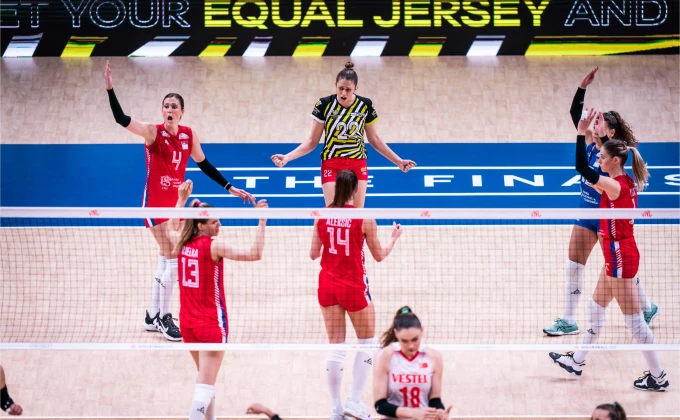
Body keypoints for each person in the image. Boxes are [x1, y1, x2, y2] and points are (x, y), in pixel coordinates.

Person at [104, 60, 254, 341]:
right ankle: (164, 318)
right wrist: (110, 89)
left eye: (174, 106)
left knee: (166, 256)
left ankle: (152, 315)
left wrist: (229, 187)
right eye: (166, 106)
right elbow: (121, 119)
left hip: (176, 206)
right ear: (162, 111)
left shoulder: (188, 135)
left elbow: (204, 163)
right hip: (154, 205)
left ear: (182, 112)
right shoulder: (152, 132)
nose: (169, 110)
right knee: (174, 255)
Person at [549, 108, 669, 392]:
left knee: (635, 322)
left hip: (620, 257)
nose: (598, 160)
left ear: (615, 161)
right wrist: (595, 135)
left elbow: (582, 168)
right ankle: (577, 361)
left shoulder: (613, 186)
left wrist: (581, 134)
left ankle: (658, 376)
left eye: (602, 157)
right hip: (618, 253)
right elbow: (595, 170)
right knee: (595, 307)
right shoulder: (624, 181)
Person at [544, 67, 658, 336]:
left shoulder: (612, 156)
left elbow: (588, 166)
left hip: (608, 221)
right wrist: (582, 87)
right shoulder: (589, 141)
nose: (593, 124)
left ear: (611, 132)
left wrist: (598, 136)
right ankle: (568, 320)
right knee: (574, 265)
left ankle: (646, 306)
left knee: (616, 272)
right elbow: (576, 115)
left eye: (599, 123)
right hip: (587, 215)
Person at [165, 180, 267, 420]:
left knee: (205, 380)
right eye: (213, 222)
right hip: (211, 325)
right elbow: (255, 254)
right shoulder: (214, 246)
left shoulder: (181, 244)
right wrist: (262, 222)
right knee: (204, 386)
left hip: (188, 325)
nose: (219, 224)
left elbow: (171, 227)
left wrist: (181, 200)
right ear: (201, 225)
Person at [309, 170, 403, 420]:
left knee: (336, 347)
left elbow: (313, 254)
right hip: (353, 286)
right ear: (355, 190)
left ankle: (336, 410)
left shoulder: (321, 215)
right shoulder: (364, 218)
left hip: (327, 285)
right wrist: (393, 238)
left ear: (335, 187)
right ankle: (354, 401)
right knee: (367, 343)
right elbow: (379, 255)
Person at [271, 62, 416, 208]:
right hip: (331, 163)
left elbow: (375, 139)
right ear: (335, 85)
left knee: (357, 215)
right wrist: (287, 157)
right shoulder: (324, 104)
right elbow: (312, 141)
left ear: (356, 88)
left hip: (357, 163)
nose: (343, 93)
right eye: (340, 88)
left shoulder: (365, 105)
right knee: (334, 213)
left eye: (348, 89)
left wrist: (398, 161)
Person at [373, 307, 451, 420]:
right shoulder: (385, 356)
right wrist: (413, 413)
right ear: (396, 334)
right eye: (404, 341)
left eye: (415, 339)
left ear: (422, 331)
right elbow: (380, 405)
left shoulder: (434, 357)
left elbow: (435, 399)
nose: (410, 346)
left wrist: (440, 413)